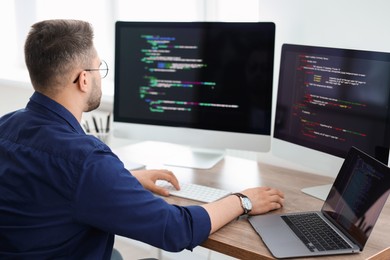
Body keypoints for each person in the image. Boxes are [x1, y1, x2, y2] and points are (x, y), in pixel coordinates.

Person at [0, 19, 284, 259]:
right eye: (99, 69)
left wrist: (128, 179)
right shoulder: (86, 160)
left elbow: (48, 187)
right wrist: (242, 200)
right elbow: (175, 230)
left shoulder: (6, 126)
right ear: (83, 80)